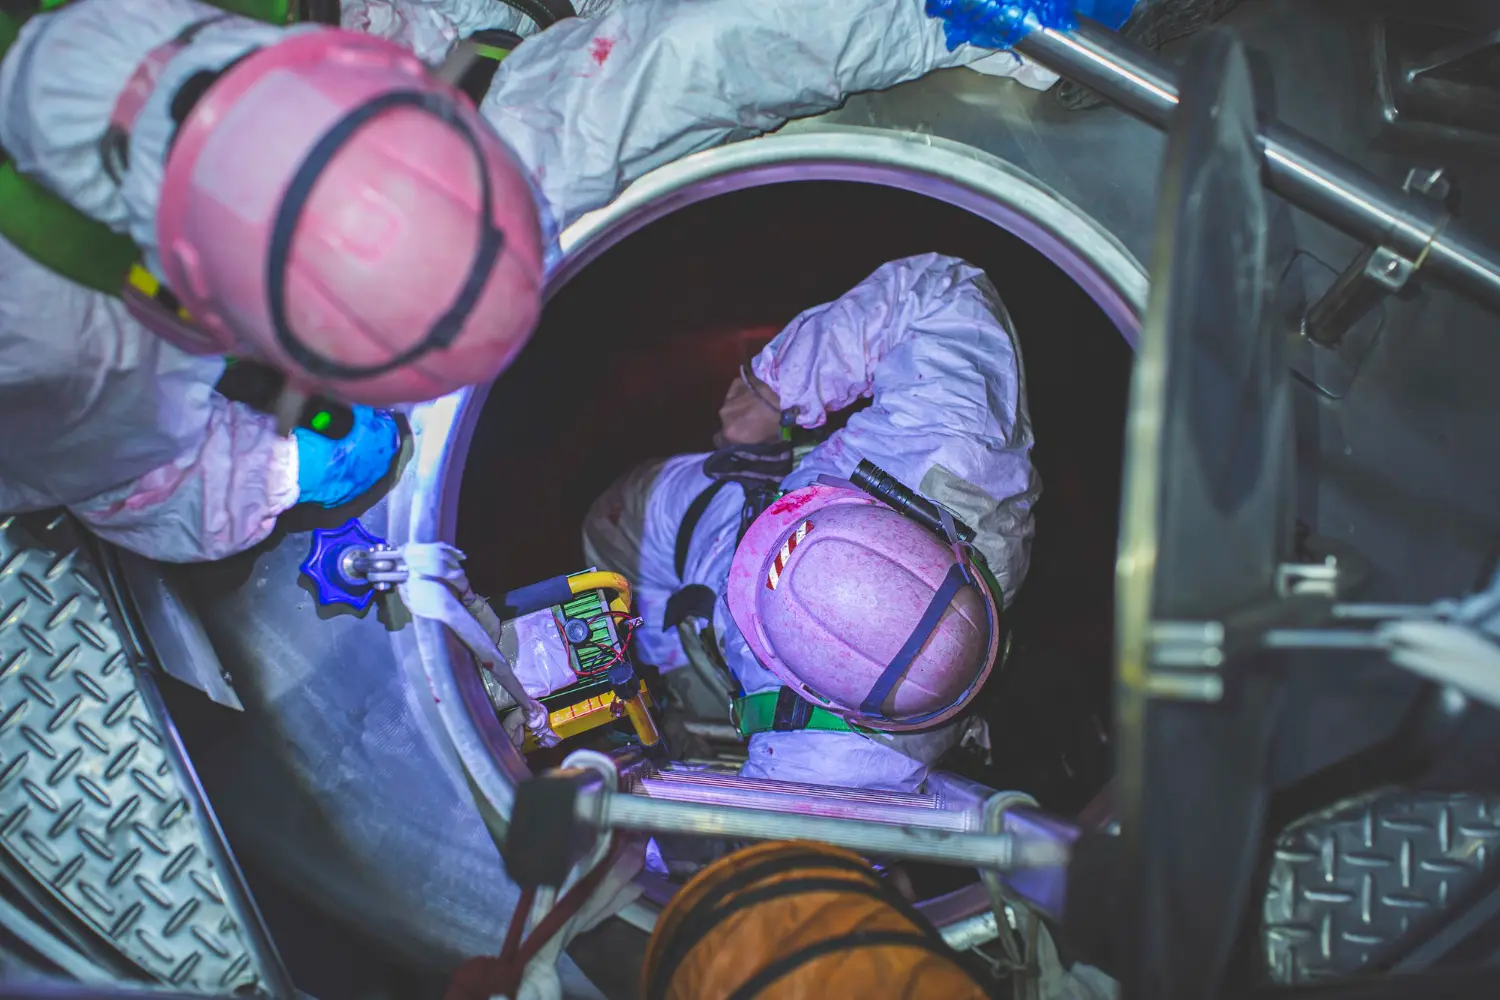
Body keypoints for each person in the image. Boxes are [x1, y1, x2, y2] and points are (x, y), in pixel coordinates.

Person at [0, 0, 1052, 562]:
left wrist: (943, 12)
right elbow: (136, 477)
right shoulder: (71, 353)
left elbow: (683, 61)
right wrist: (273, 474)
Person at [582, 252, 1039, 793]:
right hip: (753, 499)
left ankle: (685, 672)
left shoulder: (831, 771)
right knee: (614, 518)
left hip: (711, 578)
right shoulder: (959, 462)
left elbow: (760, 864)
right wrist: (778, 389)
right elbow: (941, 291)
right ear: (891, 515)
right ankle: (678, 659)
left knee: (617, 540)